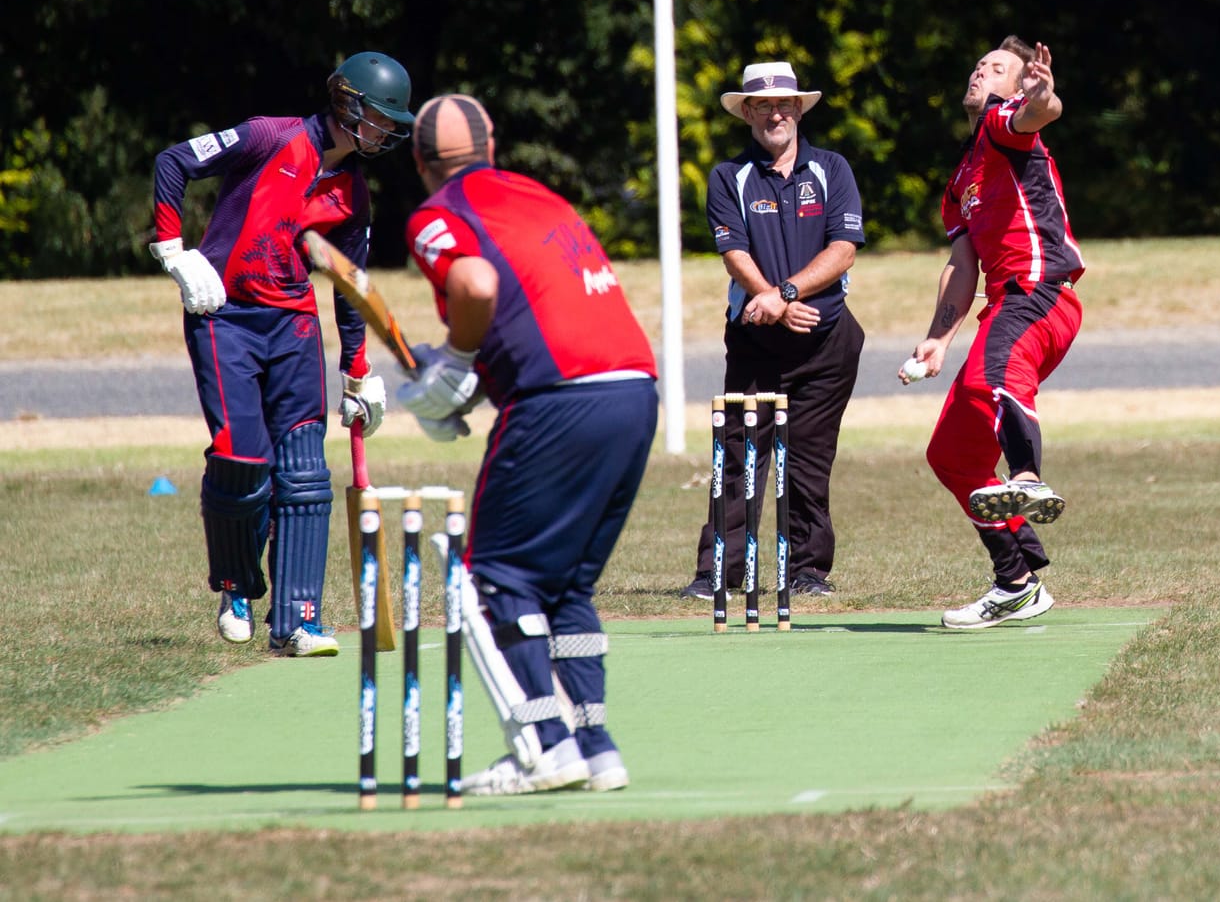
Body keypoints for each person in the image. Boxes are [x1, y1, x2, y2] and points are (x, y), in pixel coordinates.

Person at [397, 93, 657, 796]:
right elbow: (534, 305)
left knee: (495, 579)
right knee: (566, 584)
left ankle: (544, 745)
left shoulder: (437, 213)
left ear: (420, 161)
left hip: (558, 399)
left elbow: (476, 283)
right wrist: (469, 384)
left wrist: (451, 365)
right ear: (493, 143)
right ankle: (595, 747)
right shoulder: (538, 195)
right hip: (634, 388)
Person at [149, 51, 413, 656]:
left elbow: (350, 285)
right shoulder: (274, 137)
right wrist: (173, 250)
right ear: (347, 102)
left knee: (303, 471)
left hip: (293, 325)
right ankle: (237, 583)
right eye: (379, 116)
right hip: (224, 315)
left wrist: (358, 372)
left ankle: (298, 620)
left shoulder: (355, 195)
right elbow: (174, 161)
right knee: (243, 456)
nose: (386, 130)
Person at [902, 38, 1085, 630]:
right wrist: (938, 337)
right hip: (1002, 305)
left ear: (1014, 87)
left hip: (1038, 292)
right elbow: (962, 264)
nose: (981, 69)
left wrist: (1042, 93)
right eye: (979, 63)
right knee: (952, 456)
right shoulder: (960, 180)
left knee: (996, 376)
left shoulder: (1003, 125)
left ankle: (1027, 473)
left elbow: (1043, 112)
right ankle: (1016, 582)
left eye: (997, 68)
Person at [679, 61, 866, 601]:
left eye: (784, 104)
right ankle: (720, 571)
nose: (775, 113)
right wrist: (774, 305)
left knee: (810, 456)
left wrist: (785, 295)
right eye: (763, 106)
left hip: (828, 340)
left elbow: (844, 248)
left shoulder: (832, 168)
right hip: (756, 342)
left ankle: (808, 571)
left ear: (799, 110)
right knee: (739, 454)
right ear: (748, 114)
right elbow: (733, 252)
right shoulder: (728, 177)